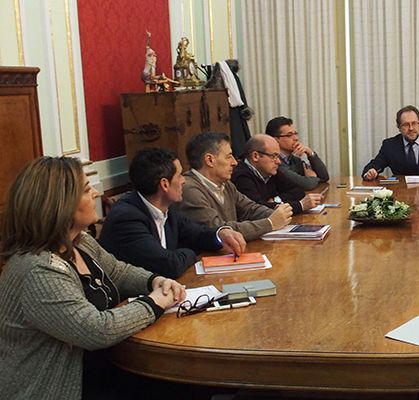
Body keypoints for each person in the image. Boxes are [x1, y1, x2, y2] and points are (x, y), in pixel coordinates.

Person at [0, 157, 186, 399]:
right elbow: (97, 330)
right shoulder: (39, 270)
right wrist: (155, 302)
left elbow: (118, 272)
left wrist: (154, 281)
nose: (97, 193)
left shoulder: (80, 242)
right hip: (58, 389)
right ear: (60, 204)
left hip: (108, 369)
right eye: (87, 189)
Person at [99, 148, 247, 279]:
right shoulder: (126, 219)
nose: (184, 181)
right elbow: (169, 265)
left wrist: (221, 234)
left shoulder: (168, 209)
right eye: (180, 175)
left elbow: (198, 234)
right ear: (164, 184)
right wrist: (192, 252)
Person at [178, 132, 293, 241]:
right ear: (210, 160)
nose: (235, 162)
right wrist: (270, 223)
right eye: (229, 157)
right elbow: (220, 229)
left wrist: (279, 214)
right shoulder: (189, 189)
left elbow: (250, 209)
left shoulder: (226, 184)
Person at [231, 134, 323, 214]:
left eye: (278, 156)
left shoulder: (271, 171)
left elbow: (297, 191)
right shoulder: (241, 176)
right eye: (273, 156)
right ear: (256, 156)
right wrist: (300, 205)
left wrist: (276, 200)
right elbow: (258, 209)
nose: (278, 161)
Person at [362, 105, 419, 183]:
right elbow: (375, 164)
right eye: (406, 125)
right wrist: (371, 172)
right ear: (399, 127)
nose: (411, 128)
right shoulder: (390, 145)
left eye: (414, 123)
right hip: (401, 193)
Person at [265, 116, 330, 191]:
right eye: (289, 135)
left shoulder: (294, 159)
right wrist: (313, 178)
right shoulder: (274, 162)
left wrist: (310, 153)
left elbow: (324, 177)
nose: (296, 138)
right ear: (275, 139)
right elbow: (306, 185)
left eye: (295, 133)